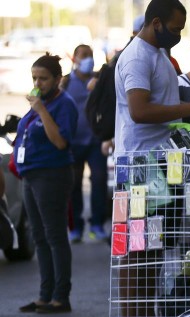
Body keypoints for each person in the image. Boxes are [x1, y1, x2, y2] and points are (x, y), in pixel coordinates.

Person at [114, 0, 190, 317]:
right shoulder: (138, 57)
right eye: (175, 28)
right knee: (137, 246)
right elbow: (139, 111)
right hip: (139, 165)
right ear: (156, 23)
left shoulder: (157, 56)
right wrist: (189, 108)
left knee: (153, 244)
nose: (179, 34)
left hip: (158, 162)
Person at [16, 53, 78, 314]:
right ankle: (45, 293)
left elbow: (60, 141)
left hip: (52, 174)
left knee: (54, 235)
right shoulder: (39, 103)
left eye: (43, 78)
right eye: (34, 78)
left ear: (57, 79)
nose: (38, 83)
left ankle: (60, 296)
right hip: (31, 174)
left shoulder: (63, 104)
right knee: (38, 236)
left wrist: (40, 110)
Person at [62, 44, 109, 243]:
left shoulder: (98, 80)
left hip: (95, 141)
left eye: (91, 55)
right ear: (75, 59)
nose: (88, 59)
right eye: (84, 55)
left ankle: (97, 224)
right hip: (73, 142)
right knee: (73, 185)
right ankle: (76, 228)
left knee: (98, 181)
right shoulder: (65, 82)